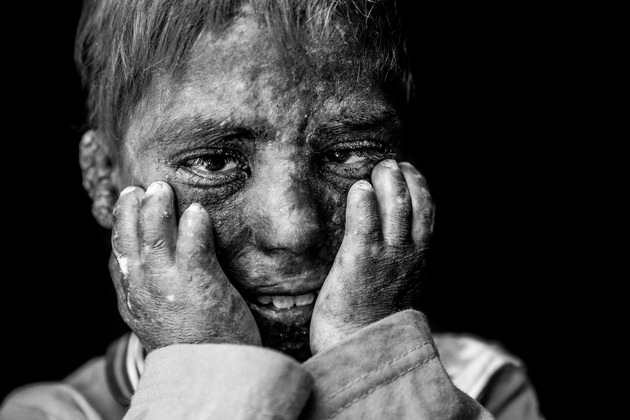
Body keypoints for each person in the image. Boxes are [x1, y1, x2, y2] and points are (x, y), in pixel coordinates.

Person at [0, 0, 544, 419]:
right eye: (214, 161)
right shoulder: (56, 412)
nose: (294, 230)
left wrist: (372, 355)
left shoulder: (486, 386)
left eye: (347, 153)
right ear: (103, 179)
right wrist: (207, 365)